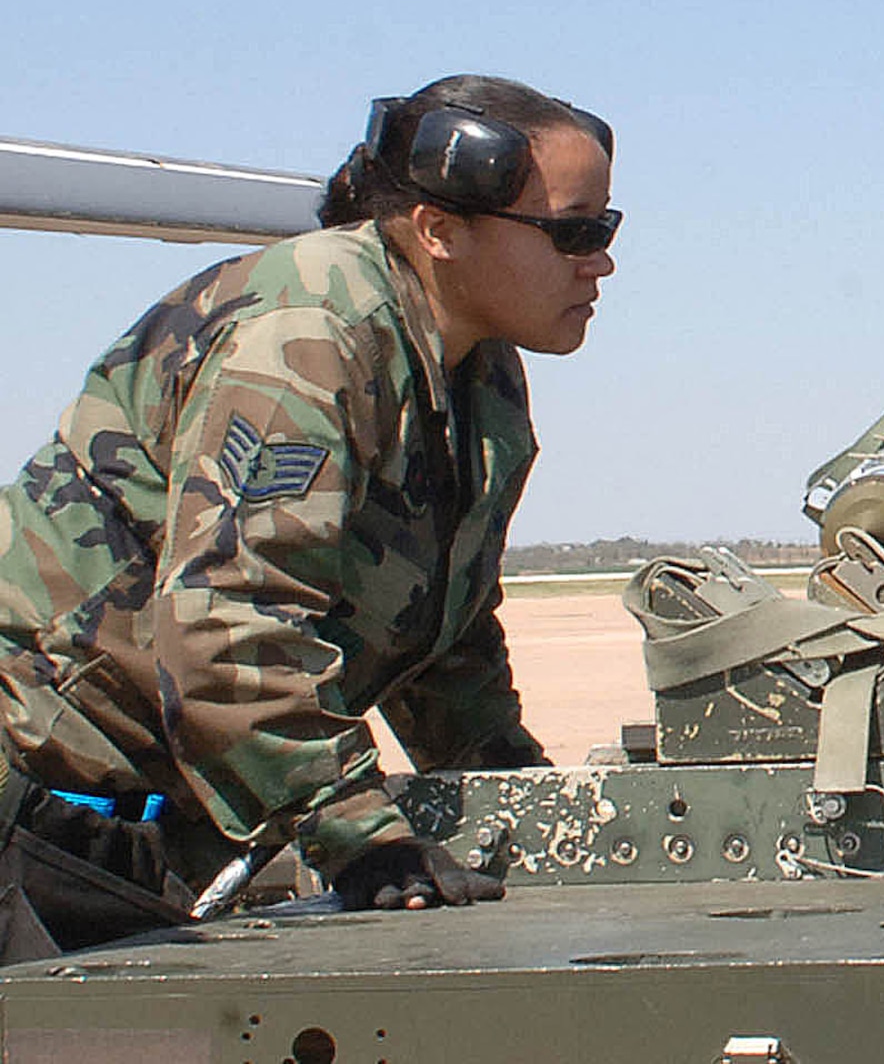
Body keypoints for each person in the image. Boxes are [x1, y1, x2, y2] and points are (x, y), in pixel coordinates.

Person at [0, 74, 620, 957]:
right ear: (440, 230)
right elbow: (229, 625)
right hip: (40, 817)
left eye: (605, 229)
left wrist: (525, 801)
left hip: (130, 839)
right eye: (575, 232)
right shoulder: (308, 336)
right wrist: (362, 836)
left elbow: (443, 640)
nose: (599, 262)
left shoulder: (474, 372)